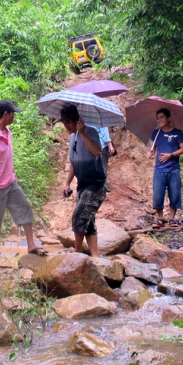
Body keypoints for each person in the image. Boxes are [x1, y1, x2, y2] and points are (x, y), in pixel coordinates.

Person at [0, 100, 46, 275]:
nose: (14, 116)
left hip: (10, 183)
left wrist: (13, 176)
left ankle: (31, 245)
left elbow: (6, 159)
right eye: (13, 113)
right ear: (6, 114)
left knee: (25, 209)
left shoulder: (6, 131)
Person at [60, 104, 106, 257]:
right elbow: (74, 162)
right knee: (89, 222)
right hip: (82, 185)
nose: (66, 126)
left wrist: (82, 134)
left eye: (68, 122)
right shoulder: (72, 138)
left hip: (95, 184)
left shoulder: (90, 132)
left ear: (77, 121)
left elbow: (97, 152)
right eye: (64, 122)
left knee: (79, 217)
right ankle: (96, 257)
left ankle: (77, 254)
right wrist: (67, 183)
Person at [147, 108, 183, 228]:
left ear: (169, 118)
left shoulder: (178, 133)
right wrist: (151, 152)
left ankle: (172, 219)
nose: (159, 120)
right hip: (159, 169)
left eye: (162, 117)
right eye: (158, 118)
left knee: (174, 193)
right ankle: (160, 218)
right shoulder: (156, 133)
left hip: (173, 168)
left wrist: (171, 155)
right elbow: (152, 148)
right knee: (158, 194)